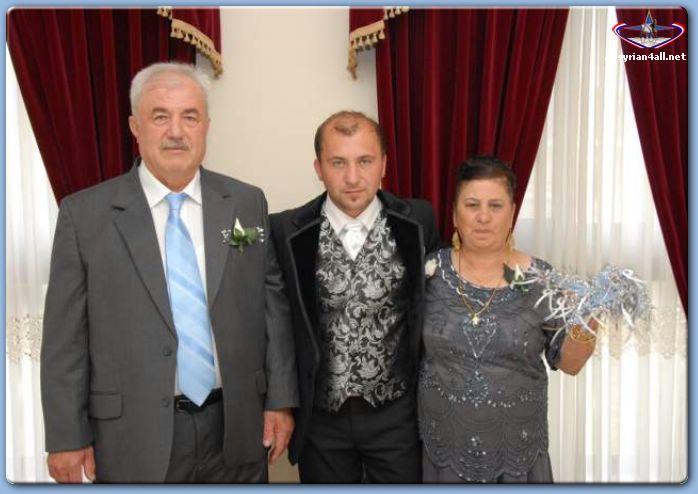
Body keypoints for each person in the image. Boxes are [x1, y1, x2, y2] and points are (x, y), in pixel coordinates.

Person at [40, 62, 298, 483]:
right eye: (160, 116)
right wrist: (66, 436)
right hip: (132, 436)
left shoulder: (246, 203)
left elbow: (273, 308)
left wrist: (281, 400)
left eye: (189, 117)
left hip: (236, 428)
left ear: (206, 126)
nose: (176, 131)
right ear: (135, 127)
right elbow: (64, 339)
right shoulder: (83, 216)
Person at [270, 111, 440, 483]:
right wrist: (279, 402)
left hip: (397, 415)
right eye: (338, 163)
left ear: (384, 164)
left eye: (364, 161)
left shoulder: (419, 220)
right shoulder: (284, 229)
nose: (352, 177)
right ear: (318, 168)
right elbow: (275, 323)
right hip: (320, 420)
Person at [418, 155, 597, 483]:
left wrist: (589, 314)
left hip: (518, 458)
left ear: (512, 212)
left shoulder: (536, 279)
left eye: (495, 206)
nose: (483, 217)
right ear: (455, 214)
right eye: (472, 205)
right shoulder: (430, 273)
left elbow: (570, 363)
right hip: (442, 455)